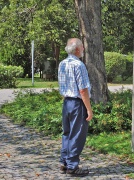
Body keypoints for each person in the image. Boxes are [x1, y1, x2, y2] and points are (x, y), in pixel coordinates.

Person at [58, 38, 93, 177]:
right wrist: (89, 109)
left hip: (67, 102)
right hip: (77, 104)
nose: (84, 49)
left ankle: (64, 162)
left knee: (67, 133)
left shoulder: (62, 63)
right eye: (82, 47)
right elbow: (83, 90)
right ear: (77, 49)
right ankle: (72, 166)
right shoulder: (79, 65)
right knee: (77, 135)